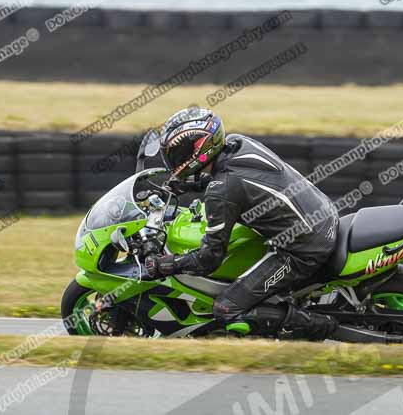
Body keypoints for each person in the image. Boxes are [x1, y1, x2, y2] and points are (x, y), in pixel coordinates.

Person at [144, 107, 352, 341]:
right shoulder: (236, 143)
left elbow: (209, 258)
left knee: (226, 308)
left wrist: (166, 265)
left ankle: (326, 326)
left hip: (303, 250)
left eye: (177, 154)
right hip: (324, 216)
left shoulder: (221, 191)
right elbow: (239, 182)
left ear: (198, 149)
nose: (174, 160)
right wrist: (192, 185)